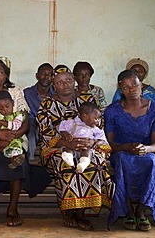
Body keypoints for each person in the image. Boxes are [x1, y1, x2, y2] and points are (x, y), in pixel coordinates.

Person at [0, 58, 50, 228]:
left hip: (16, 141)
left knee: (17, 157)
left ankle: (12, 210)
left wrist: (9, 138)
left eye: (0, 72)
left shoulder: (15, 93)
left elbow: (25, 123)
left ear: (6, 76)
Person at [37, 64, 114, 231]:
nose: (65, 85)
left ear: (74, 82)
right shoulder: (46, 104)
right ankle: (69, 211)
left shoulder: (86, 100)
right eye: (60, 82)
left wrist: (92, 142)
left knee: (93, 164)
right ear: (53, 85)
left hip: (88, 145)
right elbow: (45, 133)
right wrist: (67, 143)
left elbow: (98, 124)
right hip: (57, 148)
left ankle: (81, 213)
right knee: (66, 164)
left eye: (69, 81)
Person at [104, 69, 155, 231]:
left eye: (134, 85)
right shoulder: (112, 111)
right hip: (121, 151)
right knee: (122, 160)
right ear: (121, 90)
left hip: (146, 152)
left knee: (153, 162)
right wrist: (126, 147)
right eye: (126, 87)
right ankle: (128, 210)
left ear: (141, 85)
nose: (131, 89)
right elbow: (110, 142)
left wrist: (146, 149)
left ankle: (141, 211)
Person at [58, 102, 106, 173]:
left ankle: (83, 163)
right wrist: (66, 135)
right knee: (67, 149)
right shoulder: (72, 123)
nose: (98, 121)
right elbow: (62, 128)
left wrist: (97, 143)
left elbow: (102, 138)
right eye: (95, 118)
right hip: (71, 146)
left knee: (87, 152)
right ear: (85, 116)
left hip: (85, 148)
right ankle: (68, 158)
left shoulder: (95, 128)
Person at [23, 63, 54, 163]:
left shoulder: (56, 94)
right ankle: (31, 160)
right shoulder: (27, 92)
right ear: (37, 76)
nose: (46, 77)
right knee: (31, 133)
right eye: (43, 74)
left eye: (49, 74)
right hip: (32, 121)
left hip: (50, 122)